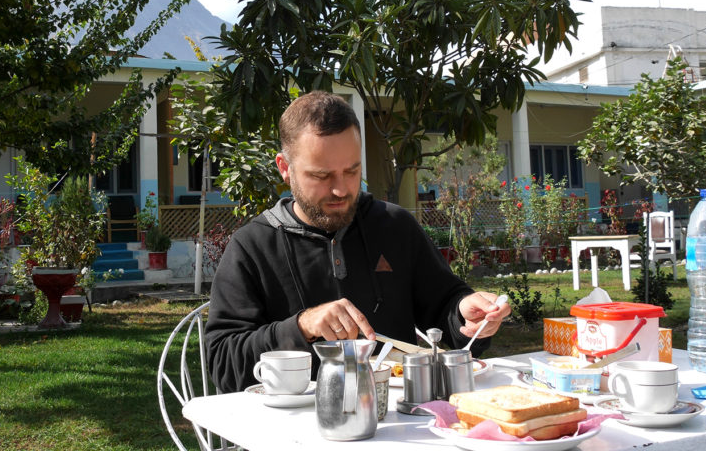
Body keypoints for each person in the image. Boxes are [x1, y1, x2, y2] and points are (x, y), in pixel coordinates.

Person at [204, 91, 511, 393]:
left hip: (396, 421)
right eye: (322, 176)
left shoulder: (395, 227)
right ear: (285, 168)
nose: (340, 190)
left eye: (351, 171)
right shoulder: (251, 247)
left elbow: (445, 306)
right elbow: (222, 364)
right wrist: (301, 327)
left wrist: (466, 313)